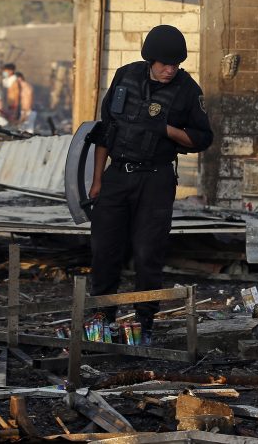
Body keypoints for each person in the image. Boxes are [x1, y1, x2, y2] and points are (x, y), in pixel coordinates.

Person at [87, 25, 213, 343]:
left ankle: (143, 325)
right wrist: (97, 180)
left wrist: (166, 129)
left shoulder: (187, 90)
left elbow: (202, 139)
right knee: (105, 250)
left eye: (175, 64)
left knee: (147, 253)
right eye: (164, 64)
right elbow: (106, 130)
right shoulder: (125, 77)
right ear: (150, 60)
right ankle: (100, 322)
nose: (170, 69)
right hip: (117, 176)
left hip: (156, 179)